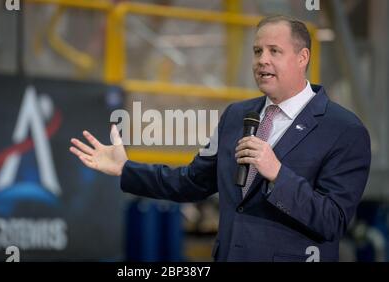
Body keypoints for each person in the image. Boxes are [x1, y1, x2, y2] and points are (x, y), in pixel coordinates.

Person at [69, 15, 371, 262]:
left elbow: (333, 220)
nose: (262, 60)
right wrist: (126, 168)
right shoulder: (237, 116)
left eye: (274, 51)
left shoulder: (344, 129)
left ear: (303, 57)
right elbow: (191, 181)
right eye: (257, 51)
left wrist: (278, 174)